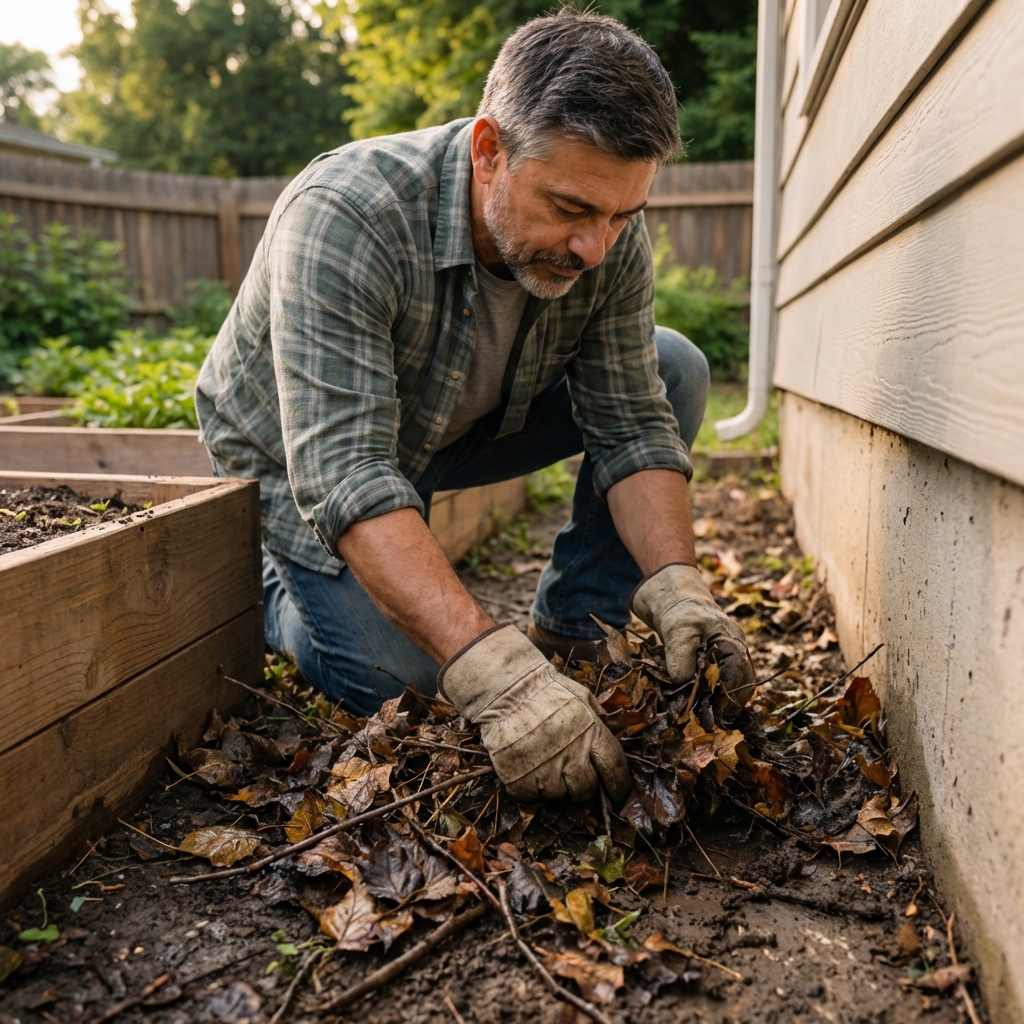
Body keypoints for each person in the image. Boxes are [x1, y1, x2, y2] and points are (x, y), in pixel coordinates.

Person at [196, 9, 755, 808]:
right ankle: (279, 593)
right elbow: (348, 470)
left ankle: (575, 629)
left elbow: (631, 419)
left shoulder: (605, 235)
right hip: (300, 453)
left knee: (674, 368)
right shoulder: (347, 214)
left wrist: (677, 583)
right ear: (489, 151)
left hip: (451, 422)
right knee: (413, 684)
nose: (596, 246)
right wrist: (491, 671)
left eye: (620, 215)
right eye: (569, 209)